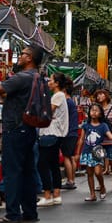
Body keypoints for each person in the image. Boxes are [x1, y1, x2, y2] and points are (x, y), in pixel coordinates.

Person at [0, 45, 43, 223]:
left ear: (29, 58)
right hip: (29, 128)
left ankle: (12, 213)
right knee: (28, 171)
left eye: (23, 54)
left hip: (15, 128)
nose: (19, 56)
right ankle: (30, 211)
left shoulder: (22, 77)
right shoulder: (37, 77)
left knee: (12, 172)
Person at [37, 72, 69, 207]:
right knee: (53, 165)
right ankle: (56, 194)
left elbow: (47, 112)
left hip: (50, 133)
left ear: (56, 83)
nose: (48, 82)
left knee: (42, 164)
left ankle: (47, 195)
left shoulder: (58, 95)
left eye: (51, 80)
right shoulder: (58, 96)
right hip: (54, 134)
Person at [79, 103, 112, 201]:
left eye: (96, 110)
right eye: (92, 110)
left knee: (98, 172)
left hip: (98, 151)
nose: (94, 112)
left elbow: (110, 135)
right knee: (89, 173)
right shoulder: (86, 125)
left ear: (101, 114)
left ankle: (102, 186)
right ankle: (92, 194)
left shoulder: (103, 125)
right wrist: (77, 153)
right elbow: (81, 139)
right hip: (87, 151)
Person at [93, 89, 112, 191]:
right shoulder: (95, 108)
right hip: (98, 140)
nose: (99, 96)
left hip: (111, 139)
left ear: (106, 96)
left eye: (101, 94)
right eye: (97, 95)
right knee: (98, 163)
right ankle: (100, 183)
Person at [61, 78, 79, 190]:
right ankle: (72, 180)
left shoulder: (66, 102)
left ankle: (70, 180)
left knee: (67, 157)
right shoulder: (71, 102)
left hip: (67, 132)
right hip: (73, 132)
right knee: (71, 157)